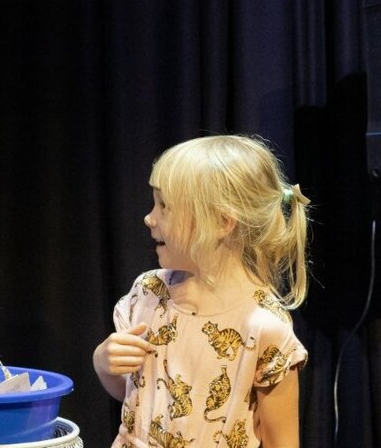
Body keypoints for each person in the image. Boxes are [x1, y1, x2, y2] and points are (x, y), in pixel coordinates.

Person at [92, 135, 310, 448]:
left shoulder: (263, 328)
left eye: (164, 206)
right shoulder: (149, 293)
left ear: (223, 222)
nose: (149, 218)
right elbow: (135, 393)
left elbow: (283, 442)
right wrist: (104, 364)